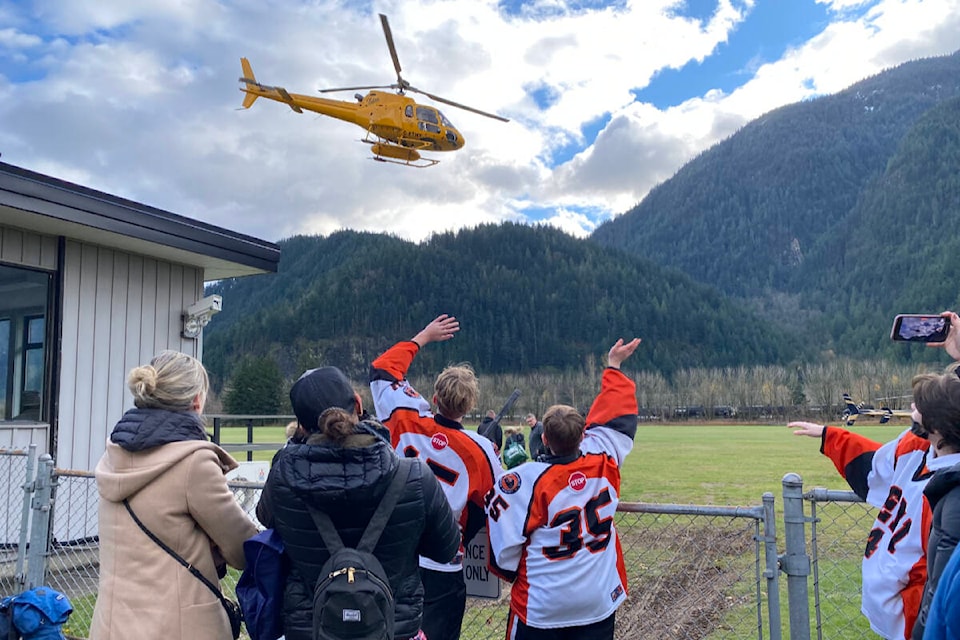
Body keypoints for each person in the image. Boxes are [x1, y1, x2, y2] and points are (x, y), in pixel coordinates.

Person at [256, 366, 460, 640]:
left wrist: (293, 450)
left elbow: (265, 518)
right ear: (359, 403)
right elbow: (446, 550)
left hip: (312, 629)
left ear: (301, 427)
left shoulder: (282, 478)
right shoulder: (413, 476)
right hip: (395, 628)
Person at [90, 350, 257, 640]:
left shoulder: (114, 456)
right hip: (179, 628)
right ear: (196, 400)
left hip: (111, 626)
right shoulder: (193, 463)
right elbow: (242, 548)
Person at [486, 337, 642, 640]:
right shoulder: (604, 461)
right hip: (596, 602)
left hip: (542, 606)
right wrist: (614, 366)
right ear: (584, 435)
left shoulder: (524, 480)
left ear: (544, 440)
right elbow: (619, 411)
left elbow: (502, 553)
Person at [370, 314, 503, 640]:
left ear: (434, 396)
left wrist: (424, 337)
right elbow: (495, 504)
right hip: (443, 563)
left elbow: (382, 369)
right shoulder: (481, 449)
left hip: (395, 555)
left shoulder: (404, 416)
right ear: (469, 406)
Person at [911, 313, 960, 639]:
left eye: (920, 407)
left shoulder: (955, 499)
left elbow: (939, 589)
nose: (913, 412)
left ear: (937, 428)